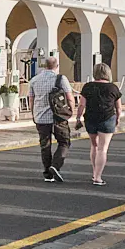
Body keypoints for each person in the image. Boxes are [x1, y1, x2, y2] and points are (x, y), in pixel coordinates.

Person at [29, 54, 74, 183]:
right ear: (57, 66)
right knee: (64, 142)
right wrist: (71, 111)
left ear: (45, 66)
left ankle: (47, 174)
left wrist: (34, 114)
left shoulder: (34, 80)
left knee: (45, 145)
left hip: (41, 118)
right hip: (58, 117)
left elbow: (31, 100)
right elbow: (69, 97)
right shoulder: (61, 79)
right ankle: (56, 165)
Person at [77, 63, 122, 186]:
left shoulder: (88, 87)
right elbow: (118, 107)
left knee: (94, 145)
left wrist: (78, 117)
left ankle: (94, 172)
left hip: (90, 119)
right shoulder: (113, 88)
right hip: (107, 119)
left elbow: (82, 105)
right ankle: (98, 176)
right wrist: (118, 118)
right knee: (103, 149)